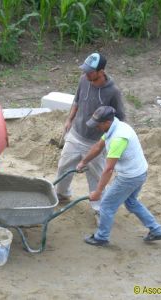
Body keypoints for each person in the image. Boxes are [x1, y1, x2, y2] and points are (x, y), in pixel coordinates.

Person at [76, 106, 161, 246]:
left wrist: (98, 192)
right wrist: (84, 161)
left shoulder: (119, 138)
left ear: (106, 122)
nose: (96, 127)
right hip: (140, 172)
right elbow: (98, 147)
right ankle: (157, 230)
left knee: (106, 205)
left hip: (129, 177)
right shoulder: (115, 127)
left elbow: (108, 169)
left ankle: (101, 237)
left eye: (98, 125)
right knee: (131, 202)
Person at [55, 52, 125, 214]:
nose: (86, 74)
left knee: (96, 176)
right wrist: (69, 120)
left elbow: (119, 118)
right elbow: (77, 101)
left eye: (90, 71)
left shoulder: (113, 92)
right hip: (76, 134)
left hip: (96, 142)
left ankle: (99, 208)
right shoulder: (83, 80)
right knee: (64, 167)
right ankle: (62, 195)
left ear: (101, 71)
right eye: (85, 70)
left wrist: (108, 139)